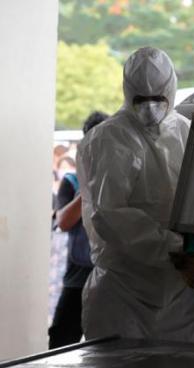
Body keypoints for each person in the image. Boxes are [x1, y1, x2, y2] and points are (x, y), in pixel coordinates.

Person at [76, 47, 194, 343]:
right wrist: (171, 244)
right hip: (124, 294)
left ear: (171, 90)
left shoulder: (188, 132)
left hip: (180, 293)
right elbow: (110, 214)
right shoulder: (109, 138)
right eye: (141, 99)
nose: (150, 107)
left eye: (158, 99)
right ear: (128, 92)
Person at [48, 111, 107, 349]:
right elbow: (63, 222)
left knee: (103, 346)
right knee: (61, 341)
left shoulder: (121, 176)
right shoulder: (72, 182)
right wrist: (89, 183)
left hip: (108, 277)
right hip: (77, 277)